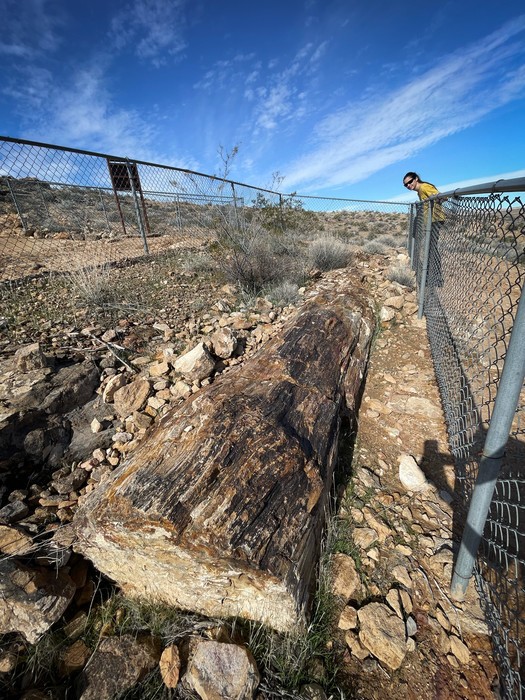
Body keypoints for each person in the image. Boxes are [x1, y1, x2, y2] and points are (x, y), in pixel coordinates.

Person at [403, 171, 445, 288]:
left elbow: (440, 196)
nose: (408, 185)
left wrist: (436, 198)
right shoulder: (419, 191)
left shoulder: (424, 187)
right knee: (430, 248)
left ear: (416, 179)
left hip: (435, 220)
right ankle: (432, 275)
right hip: (430, 221)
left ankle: (436, 278)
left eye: (410, 182)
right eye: (406, 185)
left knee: (432, 249)